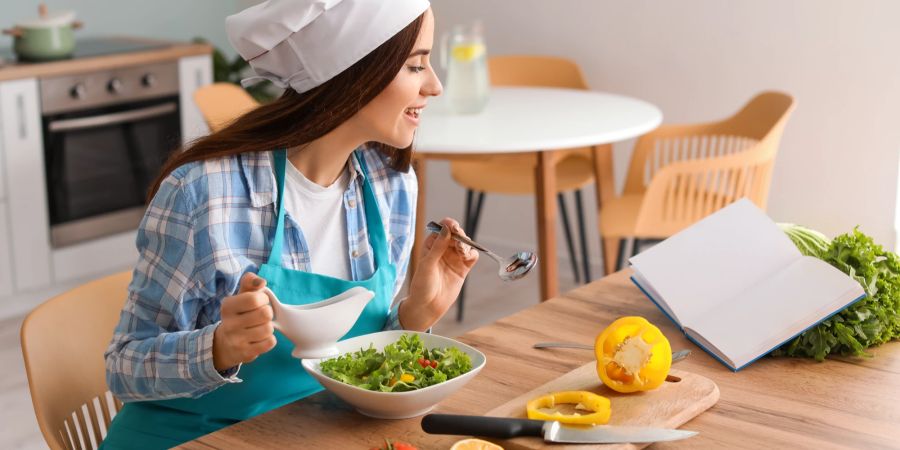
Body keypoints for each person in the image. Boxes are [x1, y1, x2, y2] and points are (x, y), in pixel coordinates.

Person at [101, 1, 477, 448]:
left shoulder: (389, 184)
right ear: (357, 72)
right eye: (417, 65)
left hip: (308, 433)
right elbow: (123, 368)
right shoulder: (204, 191)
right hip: (188, 437)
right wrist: (218, 348)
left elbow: (352, 360)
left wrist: (413, 317)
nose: (435, 85)